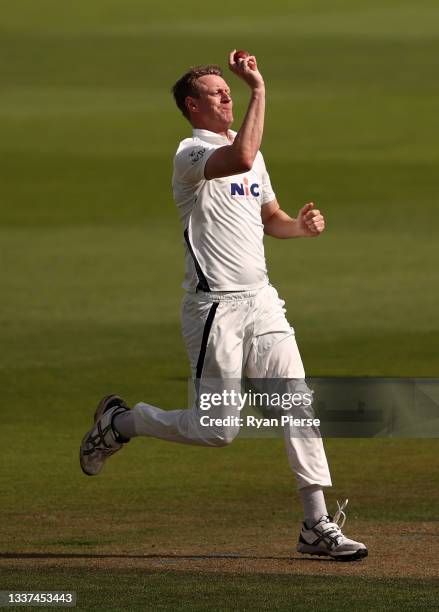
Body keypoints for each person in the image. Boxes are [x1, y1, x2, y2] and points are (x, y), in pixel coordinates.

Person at [79, 51, 367, 561]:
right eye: (217, 92)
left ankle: (315, 524)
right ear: (193, 107)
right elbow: (236, 160)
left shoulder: (252, 150)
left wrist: (297, 227)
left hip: (263, 302)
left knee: (296, 402)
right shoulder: (190, 155)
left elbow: (269, 215)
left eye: (228, 90)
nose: (227, 94)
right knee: (217, 431)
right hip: (215, 312)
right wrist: (259, 89)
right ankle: (122, 422)